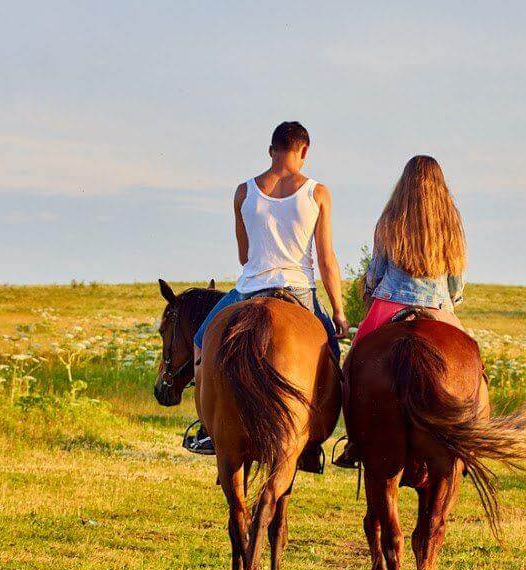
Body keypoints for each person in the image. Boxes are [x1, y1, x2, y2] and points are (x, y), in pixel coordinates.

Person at [185, 121, 349, 458]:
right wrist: (338, 311)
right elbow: (326, 258)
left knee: (201, 340)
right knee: (330, 355)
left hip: (250, 289)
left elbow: (244, 255)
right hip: (299, 292)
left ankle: (207, 429)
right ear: (303, 151)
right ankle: (313, 437)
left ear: (270, 150)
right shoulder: (317, 193)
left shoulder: (244, 192)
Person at [333, 155, 468, 468]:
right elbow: (456, 281)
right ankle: (465, 439)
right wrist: (451, 303)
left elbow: (376, 271)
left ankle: (354, 443)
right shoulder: (451, 224)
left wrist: (368, 287)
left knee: (354, 363)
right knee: (474, 366)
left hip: (390, 301)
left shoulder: (390, 220)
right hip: (439, 306)